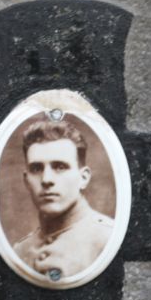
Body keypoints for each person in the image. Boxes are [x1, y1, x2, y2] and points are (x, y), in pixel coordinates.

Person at [12, 118, 114, 279]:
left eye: (60, 167)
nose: (46, 179)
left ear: (84, 178)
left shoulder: (109, 240)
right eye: (36, 168)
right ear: (26, 180)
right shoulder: (19, 252)